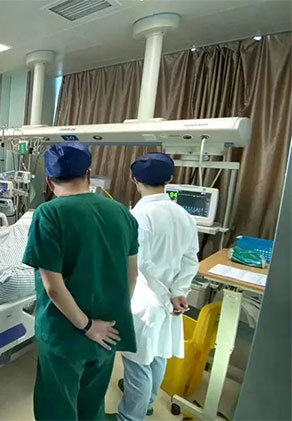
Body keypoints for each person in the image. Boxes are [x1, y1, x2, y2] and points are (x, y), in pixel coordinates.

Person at [22, 142, 139, 421]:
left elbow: (53, 287)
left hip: (65, 334)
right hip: (108, 331)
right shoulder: (122, 213)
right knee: (92, 404)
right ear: (89, 174)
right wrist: (107, 320)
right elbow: (131, 276)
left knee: (57, 407)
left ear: (49, 181)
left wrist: (87, 326)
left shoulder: (49, 214)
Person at [114, 153, 199, 421]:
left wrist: (166, 296)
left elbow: (141, 264)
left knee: (137, 361)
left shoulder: (139, 215)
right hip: (169, 300)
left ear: (134, 179)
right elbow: (190, 258)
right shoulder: (183, 215)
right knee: (157, 354)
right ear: (170, 179)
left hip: (146, 300)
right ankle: (147, 403)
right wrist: (179, 292)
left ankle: (130, 416)